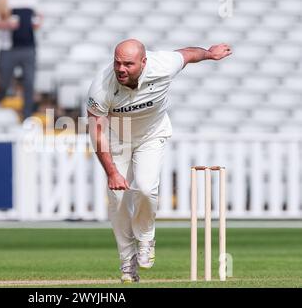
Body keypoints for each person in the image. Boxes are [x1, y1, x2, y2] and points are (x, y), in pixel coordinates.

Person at [87, 39, 232, 283]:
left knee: (145, 188)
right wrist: (112, 172)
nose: (121, 69)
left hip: (151, 135)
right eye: (117, 63)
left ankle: (146, 238)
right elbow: (96, 131)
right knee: (118, 198)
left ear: (144, 62)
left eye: (128, 64)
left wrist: (208, 53)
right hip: (116, 139)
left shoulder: (162, 65)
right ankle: (127, 261)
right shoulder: (101, 87)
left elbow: (187, 54)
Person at [0, 0, 43, 119]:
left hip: (28, 47)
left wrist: (36, 23)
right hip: (9, 48)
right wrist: (6, 24)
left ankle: (27, 116)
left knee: (29, 82)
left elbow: (40, 17)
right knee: (4, 81)